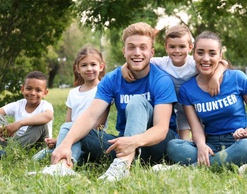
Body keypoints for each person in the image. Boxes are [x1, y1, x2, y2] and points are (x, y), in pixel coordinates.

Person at [48, 22, 178, 181]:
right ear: (124, 51)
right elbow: (90, 116)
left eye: (143, 47)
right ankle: (62, 167)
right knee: (69, 127)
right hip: (123, 144)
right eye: (131, 47)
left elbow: (161, 129)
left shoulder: (161, 80)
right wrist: (65, 145)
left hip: (156, 145)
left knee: (137, 101)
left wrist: (133, 142)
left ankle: (122, 166)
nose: (137, 52)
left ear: (152, 52)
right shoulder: (112, 79)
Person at [166, 31, 247, 168]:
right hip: (210, 143)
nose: (206, 59)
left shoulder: (236, 78)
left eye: (212, 53)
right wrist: (201, 146)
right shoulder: (187, 89)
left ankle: (193, 167)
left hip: (239, 140)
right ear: (193, 55)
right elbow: (196, 128)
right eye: (200, 53)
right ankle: (220, 162)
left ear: (220, 56)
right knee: (174, 146)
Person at [122, 24, 228, 140]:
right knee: (182, 134)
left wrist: (215, 77)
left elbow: (223, 63)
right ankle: (184, 146)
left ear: (190, 47)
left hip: (194, 101)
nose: (177, 51)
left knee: (201, 128)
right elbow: (141, 60)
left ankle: (206, 144)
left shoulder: (194, 64)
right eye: (172, 47)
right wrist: (125, 66)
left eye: (182, 46)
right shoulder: (162, 62)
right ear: (166, 47)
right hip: (174, 103)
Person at [33, 47, 108, 165]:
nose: (89, 68)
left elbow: (99, 125)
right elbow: (67, 121)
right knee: (36, 158)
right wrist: (59, 139)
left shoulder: (104, 90)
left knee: (72, 142)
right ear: (77, 68)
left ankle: (64, 164)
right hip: (70, 135)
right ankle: (63, 151)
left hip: (90, 136)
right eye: (84, 65)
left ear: (101, 66)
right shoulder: (73, 93)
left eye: (93, 64)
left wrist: (73, 136)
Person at [0, 71, 53, 162]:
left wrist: (19, 123)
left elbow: (48, 116)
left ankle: (5, 154)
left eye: (38, 90)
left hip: (37, 145)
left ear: (45, 92)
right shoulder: (18, 104)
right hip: (17, 141)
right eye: (29, 88)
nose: (32, 93)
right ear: (22, 89)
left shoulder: (45, 106)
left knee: (41, 124)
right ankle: (13, 151)